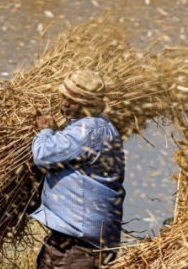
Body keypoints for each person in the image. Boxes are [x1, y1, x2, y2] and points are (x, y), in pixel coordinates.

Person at [30, 70, 126, 269]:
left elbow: (44, 156)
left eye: (73, 100)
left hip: (79, 247)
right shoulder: (97, 127)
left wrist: (46, 130)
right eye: (64, 97)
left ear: (89, 105)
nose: (65, 104)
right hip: (73, 241)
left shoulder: (89, 130)